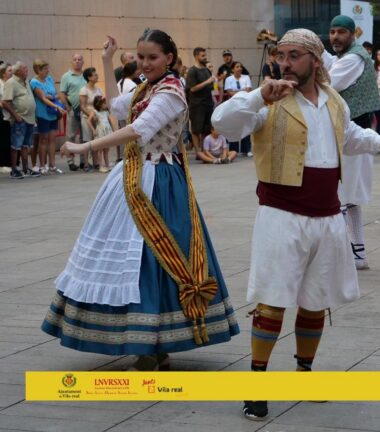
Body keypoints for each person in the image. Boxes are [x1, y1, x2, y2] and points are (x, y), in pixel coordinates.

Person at [211, 28, 380, 421]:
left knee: (316, 301)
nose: (285, 63)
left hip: (328, 215)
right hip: (282, 215)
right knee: (273, 300)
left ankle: (303, 375)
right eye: (281, 55)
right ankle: (257, 384)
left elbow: (348, 135)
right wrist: (259, 95)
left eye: (294, 55)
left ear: (315, 60)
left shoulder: (333, 100)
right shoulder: (269, 100)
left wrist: (379, 142)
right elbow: (223, 122)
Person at [42, 30, 239, 370]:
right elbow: (117, 107)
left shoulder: (171, 91)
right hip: (134, 175)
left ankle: (151, 345)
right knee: (129, 257)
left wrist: (85, 146)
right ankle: (146, 343)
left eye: (152, 58)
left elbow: (137, 129)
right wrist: (107, 60)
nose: (145, 64)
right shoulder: (147, 87)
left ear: (169, 58)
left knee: (153, 257)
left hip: (159, 181)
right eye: (141, 57)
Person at [322, 14, 380, 270]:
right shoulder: (347, 57)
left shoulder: (353, 59)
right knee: (350, 197)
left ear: (352, 34)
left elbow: (327, 83)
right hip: (353, 135)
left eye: (341, 32)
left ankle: (344, 254)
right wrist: (315, 51)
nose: (335, 37)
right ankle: (358, 255)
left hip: (353, 136)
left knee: (342, 197)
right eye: (332, 32)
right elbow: (330, 64)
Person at [2, 62, 40, 179]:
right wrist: (16, 115)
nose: (27, 69)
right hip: (20, 119)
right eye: (24, 68)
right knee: (16, 146)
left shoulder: (26, 81)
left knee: (25, 145)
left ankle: (25, 169)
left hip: (30, 118)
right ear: (17, 71)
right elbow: (5, 102)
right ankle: (14, 170)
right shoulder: (11, 83)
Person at [30, 59, 66, 175]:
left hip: (52, 113)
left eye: (47, 68)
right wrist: (57, 106)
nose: (47, 71)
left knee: (52, 139)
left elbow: (55, 94)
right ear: (38, 70)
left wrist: (53, 98)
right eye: (45, 69)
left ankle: (52, 165)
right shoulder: (34, 82)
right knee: (43, 139)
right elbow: (43, 98)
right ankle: (42, 165)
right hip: (42, 114)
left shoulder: (49, 78)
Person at [59, 53, 86, 172]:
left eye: (79, 59)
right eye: (75, 59)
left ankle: (83, 161)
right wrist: (67, 107)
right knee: (71, 136)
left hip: (85, 110)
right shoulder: (66, 76)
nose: (77, 61)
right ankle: (70, 161)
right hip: (72, 110)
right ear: (72, 62)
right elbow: (62, 93)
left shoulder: (86, 75)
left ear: (83, 62)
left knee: (84, 136)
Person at [186, 47, 215, 154]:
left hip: (208, 103)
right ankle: (198, 152)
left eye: (205, 55)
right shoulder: (192, 71)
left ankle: (204, 151)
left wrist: (212, 83)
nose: (205, 57)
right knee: (196, 129)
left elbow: (211, 86)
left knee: (206, 129)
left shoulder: (206, 70)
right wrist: (207, 82)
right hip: (197, 105)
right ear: (196, 56)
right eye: (202, 55)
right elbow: (192, 88)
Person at [79, 67, 105, 171]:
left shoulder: (99, 89)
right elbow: (82, 106)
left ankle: (96, 162)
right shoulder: (84, 90)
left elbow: (101, 104)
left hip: (97, 117)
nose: (97, 76)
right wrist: (91, 115)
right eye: (94, 75)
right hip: (87, 118)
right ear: (89, 77)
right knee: (87, 140)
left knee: (96, 139)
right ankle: (86, 163)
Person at [88, 95, 117, 173]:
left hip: (107, 131)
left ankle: (107, 165)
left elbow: (109, 121)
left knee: (106, 150)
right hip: (100, 132)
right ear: (99, 104)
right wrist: (93, 130)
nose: (106, 105)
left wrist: (113, 130)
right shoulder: (95, 112)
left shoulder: (106, 112)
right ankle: (101, 166)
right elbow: (89, 121)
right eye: (104, 103)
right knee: (100, 150)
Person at [0, 63, 12, 173]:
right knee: (4, 140)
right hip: (2, 115)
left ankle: (12, 162)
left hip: (12, 115)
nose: (12, 72)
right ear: (3, 73)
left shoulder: (11, 83)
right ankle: (3, 163)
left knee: (11, 140)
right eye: (9, 71)